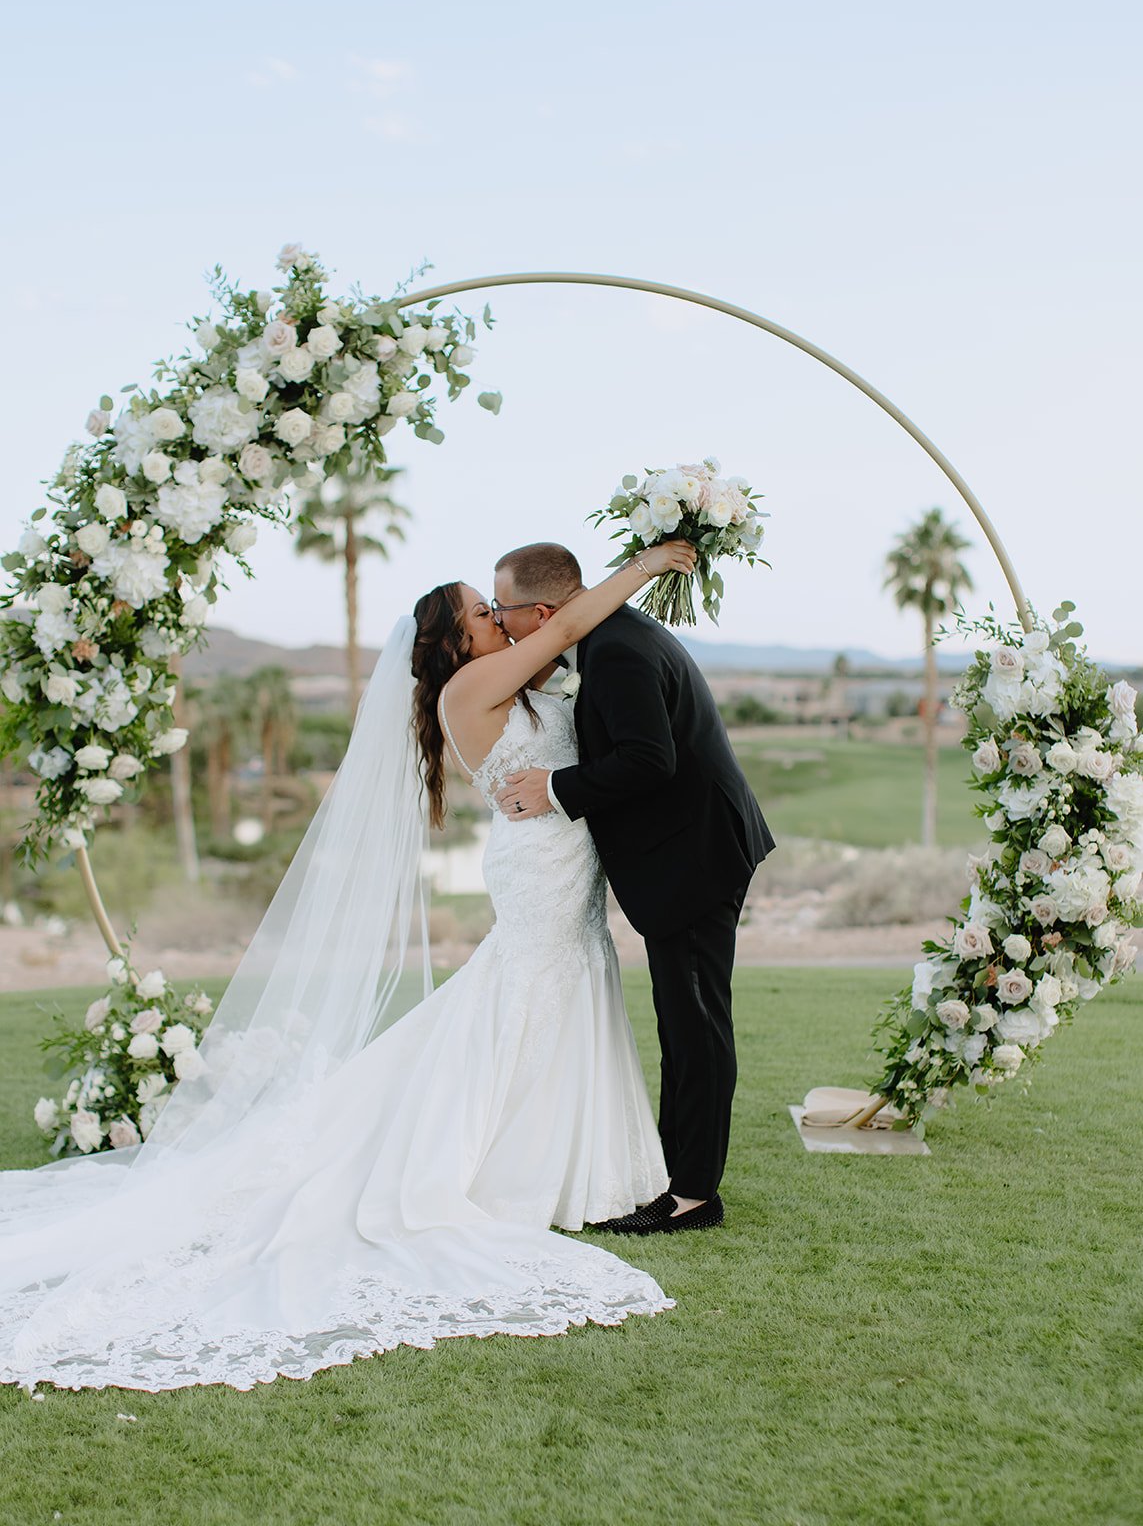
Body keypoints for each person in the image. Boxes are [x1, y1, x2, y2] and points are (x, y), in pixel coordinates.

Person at [0, 539, 695, 1393]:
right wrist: (646, 564)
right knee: (524, 994)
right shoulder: (472, 687)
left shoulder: (508, 677)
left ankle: (563, 1164)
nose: (497, 618)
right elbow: (573, 620)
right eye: (482, 611)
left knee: (562, 988)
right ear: (454, 639)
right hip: (536, 869)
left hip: (561, 861)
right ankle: (499, 1163)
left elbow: (567, 653)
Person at [492, 543, 775, 1234]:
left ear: (541, 611)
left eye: (502, 611)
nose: (500, 625)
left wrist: (555, 787)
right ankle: (676, 1173)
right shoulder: (616, 634)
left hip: (694, 857)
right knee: (681, 1022)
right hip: (689, 850)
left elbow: (650, 760)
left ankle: (694, 1195)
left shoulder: (614, 650)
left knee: (697, 1024)